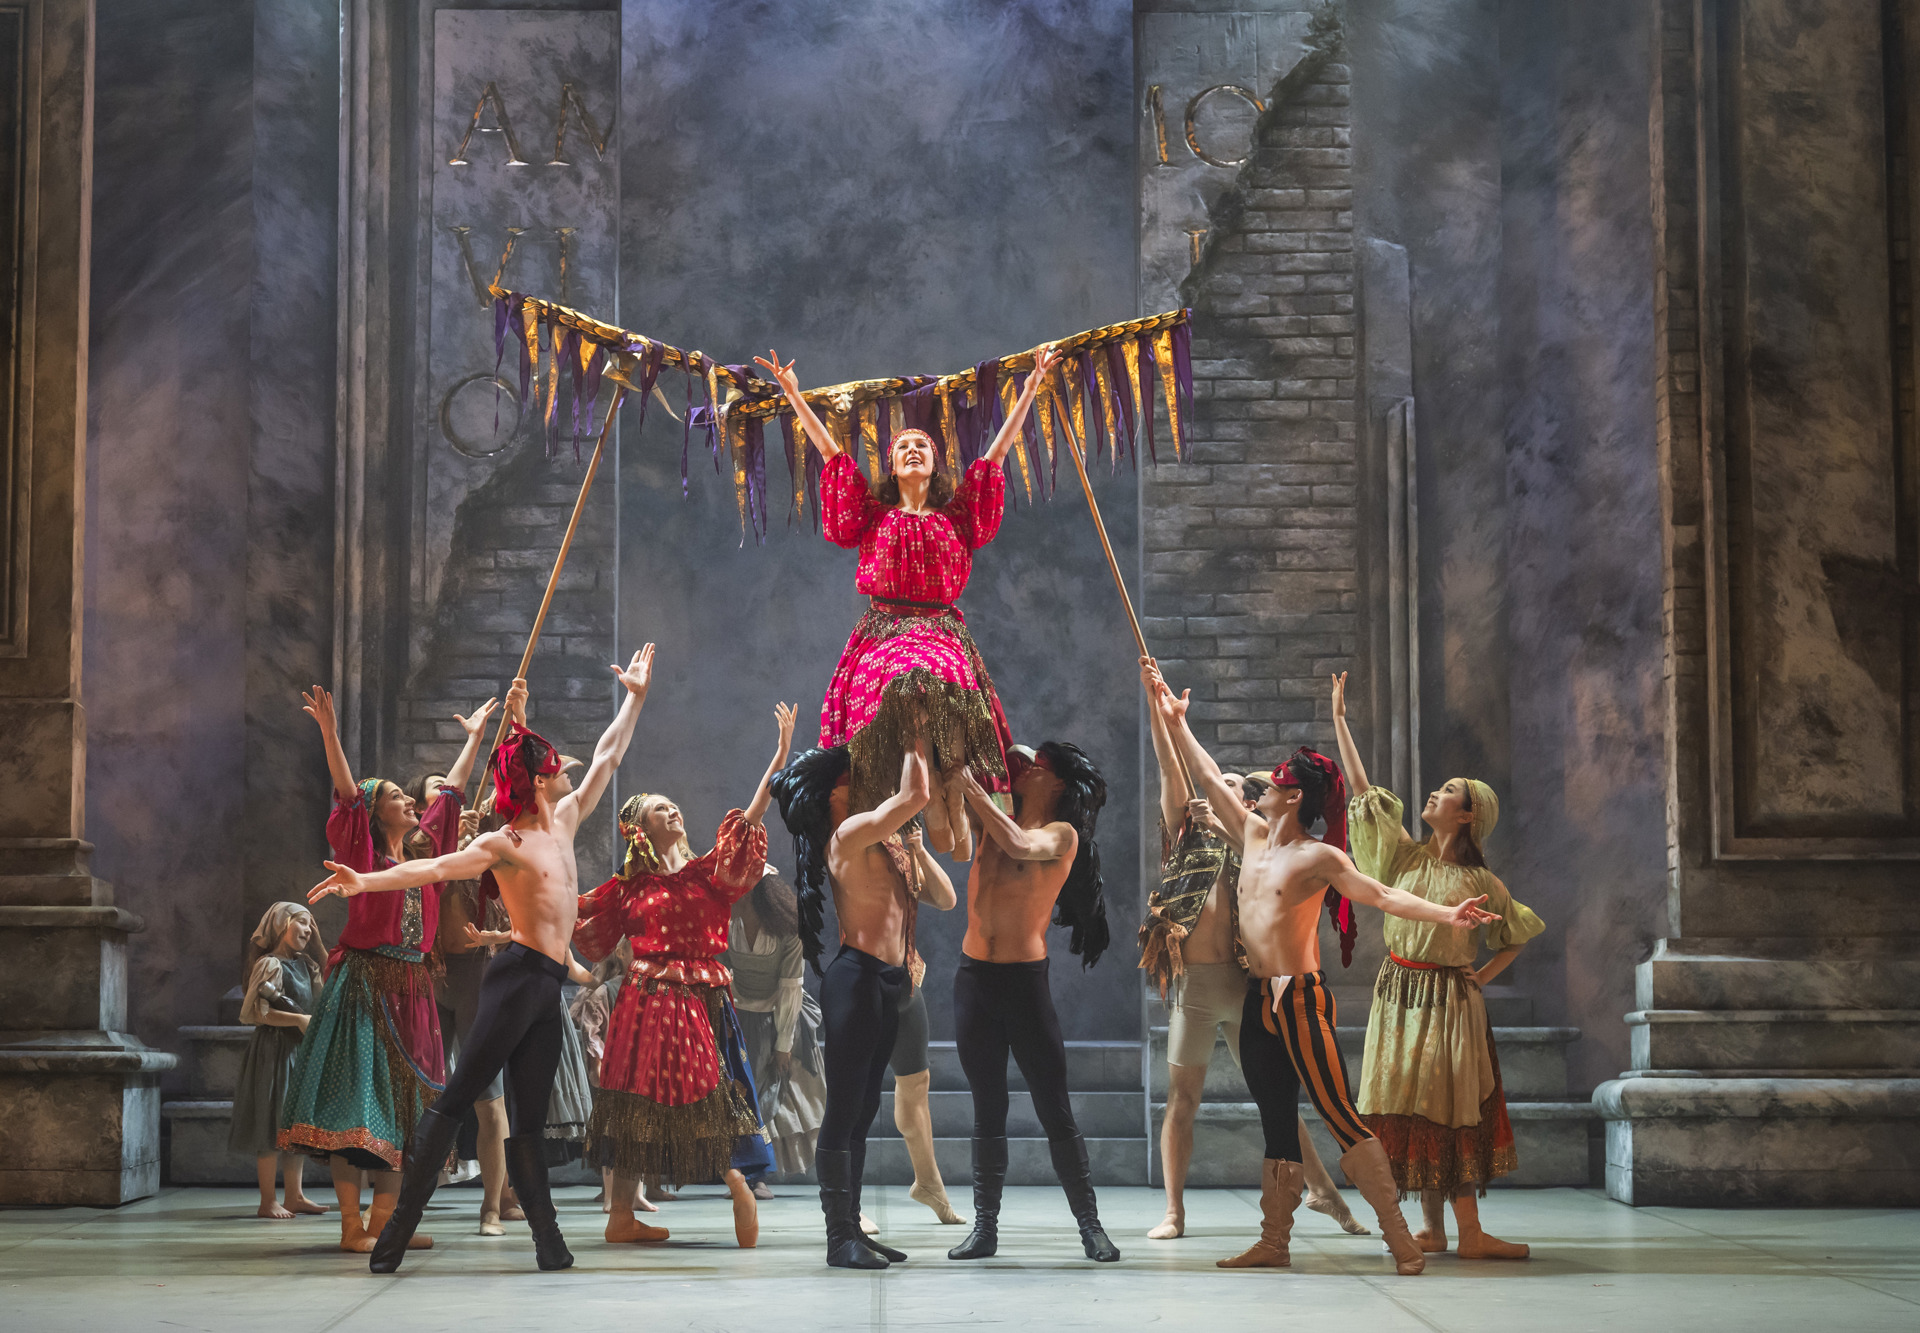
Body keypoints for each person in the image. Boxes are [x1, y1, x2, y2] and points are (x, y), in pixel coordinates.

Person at [308, 646, 658, 1273]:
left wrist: (634, 698)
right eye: (555, 767)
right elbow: (436, 868)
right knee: (456, 1098)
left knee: (529, 1120)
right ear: (540, 780)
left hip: (546, 986)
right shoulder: (506, 841)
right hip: (515, 978)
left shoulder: (565, 820)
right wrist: (364, 881)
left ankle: (549, 1243)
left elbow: (609, 754)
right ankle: (394, 1236)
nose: (568, 771)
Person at [1146, 665, 1499, 1276]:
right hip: (1259, 998)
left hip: (1300, 999)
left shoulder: (1319, 857)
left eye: (1275, 781)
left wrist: (1448, 913)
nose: (1260, 787)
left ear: (1294, 798)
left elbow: (1382, 895)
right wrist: (1177, 723)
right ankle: (1274, 1241)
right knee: (1276, 1119)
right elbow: (1203, 774)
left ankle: (1401, 1240)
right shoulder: (1251, 834)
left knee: (1339, 1115)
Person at [755, 343, 1062, 860]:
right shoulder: (872, 516)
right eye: (903, 448)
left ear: (936, 464)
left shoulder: (957, 517)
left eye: (922, 445)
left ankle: (952, 791)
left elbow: (996, 455)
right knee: (907, 680)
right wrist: (793, 396)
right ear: (893, 468)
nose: (913, 449)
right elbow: (831, 455)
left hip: (940, 630)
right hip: (885, 631)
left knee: (943, 689)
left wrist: (1030, 389)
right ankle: (925, 795)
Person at [1138, 662, 1364, 1240]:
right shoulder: (1185, 837)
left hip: (1244, 986)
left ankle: (1323, 1190)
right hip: (1195, 987)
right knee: (1182, 1099)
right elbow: (1172, 768)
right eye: (1223, 782)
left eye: (1238, 786)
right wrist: (1158, 708)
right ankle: (1173, 1210)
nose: (1225, 787)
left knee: (1276, 1097)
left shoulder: (1259, 848)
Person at [1330, 671, 1542, 1260]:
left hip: (1448, 1002)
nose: (1434, 794)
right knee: (1411, 1101)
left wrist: (1482, 977)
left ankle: (1470, 1232)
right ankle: (1434, 1229)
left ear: (1468, 815)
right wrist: (1341, 721)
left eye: (1448, 791)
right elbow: (1363, 790)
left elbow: (1516, 935)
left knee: (1447, 1104)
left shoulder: (1481, 881)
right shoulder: (1405, 856)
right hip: (1398, 992)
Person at [571, 702, 795, 1252]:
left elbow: (750, 820)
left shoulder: (708, 875)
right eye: (659, 809)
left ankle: (737, 1181)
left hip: (704, 1002)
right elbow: (573, 919)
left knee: (709, 1089)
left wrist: (778, 760)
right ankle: (622, 1215)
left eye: (674, 807)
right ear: (639, 829)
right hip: (647, 1002)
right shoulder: (628, 888)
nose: (673, 811)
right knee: (638, 1104)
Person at [280, 688, 493, 1252]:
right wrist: (330, 735)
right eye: (397, 796)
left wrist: (473, 740)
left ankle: (384, 1223)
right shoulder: (363, 855)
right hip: (366, 984)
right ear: (375, 814)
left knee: (406, 1107)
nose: (410, 801)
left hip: (413, 987)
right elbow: (349, 795)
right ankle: (351, 1226)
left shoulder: (425, 859)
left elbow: (450, 796)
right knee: (357, 1103)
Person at [947, 744, 1119, 1264]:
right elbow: (947, 823)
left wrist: (971, 787)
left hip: (1024, 985)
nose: (1024, 766)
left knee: (1054, 1108)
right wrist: (947, 762)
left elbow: (1020, 844)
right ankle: (985, 1229)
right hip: (975, 980)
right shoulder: (992, 816)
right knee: (987, 1108)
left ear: (1057, 784)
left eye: (1037, 765)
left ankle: (1091, 1227)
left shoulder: (1061, 835)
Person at [771, 741, 931, 1269]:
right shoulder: (845, 833)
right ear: (836, 794)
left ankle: (852, 1225)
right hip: (857, 979)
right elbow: (915, 795)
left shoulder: (873, 838)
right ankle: (838, 1236)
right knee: (843, 1112)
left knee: (862, 1112)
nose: (864, 783)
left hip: (887, 981)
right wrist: (913, 736)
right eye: (853, 778)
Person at [867, 825, 965, 1231]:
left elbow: (946, 898)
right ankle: (843, 1201)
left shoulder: (898, 843)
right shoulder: (853, 836)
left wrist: (918, 850)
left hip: (905, 978)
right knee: (855, 1093)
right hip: (865, 980)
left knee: (916, 1083)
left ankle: (928, 1183)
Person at [436, 799, 521, 1235]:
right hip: (432, 974)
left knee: (489, 1098)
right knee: (419, 1092)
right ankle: (399, 1202)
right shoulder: (426, 850)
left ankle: (493, 1206)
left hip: (477, 976)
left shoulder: (491, 850)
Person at [725, 865, 828, 1194]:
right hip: (737, 1016)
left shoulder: (787, 931)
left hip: (776, 1015)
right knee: (736, 1093)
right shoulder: (728, 924)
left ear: (752, 895)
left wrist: (784, 1044)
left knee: (767, 1095)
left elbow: (790, 986)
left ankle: (759, 1175)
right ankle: (740, 1171)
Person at [230, 902, 329, 1219]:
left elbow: (322, 997)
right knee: (270, 1121)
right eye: (302, 922)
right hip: (274, 1050)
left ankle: (294, 1195)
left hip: (298, 1050)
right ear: (281, 925)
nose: (308, 930)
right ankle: (267, 1200)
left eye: (311, 925)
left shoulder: (306, 965)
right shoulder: (270, 964)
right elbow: (256, 1012)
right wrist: (297, 1020)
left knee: (293, 1124)